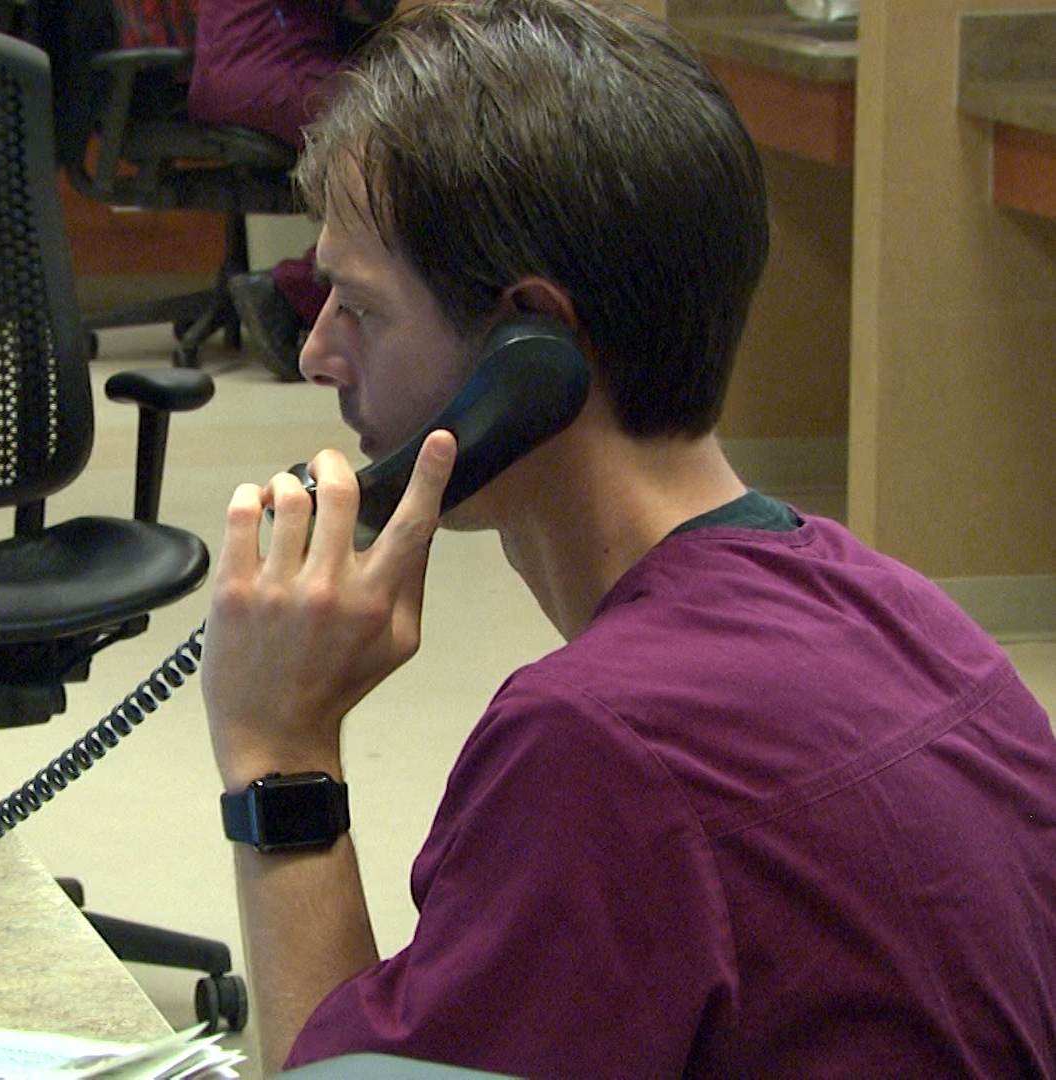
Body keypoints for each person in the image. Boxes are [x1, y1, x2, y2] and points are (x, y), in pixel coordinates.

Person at [197, 0, 1056, 1076]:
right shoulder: (910, 613)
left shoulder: (599, 744)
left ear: (532, 355)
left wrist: (280, 753)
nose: (319, 354)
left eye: (359, 309)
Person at [187, 0, 396, 381]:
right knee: (403, 138)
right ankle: (293, 289)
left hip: (235, 64)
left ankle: (297, 290)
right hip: (268, 65)